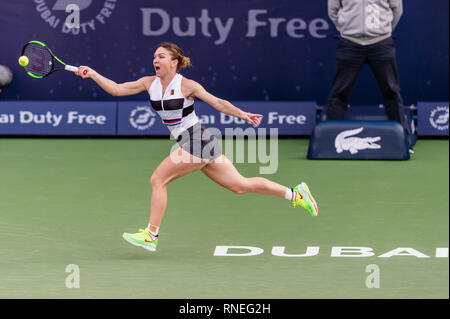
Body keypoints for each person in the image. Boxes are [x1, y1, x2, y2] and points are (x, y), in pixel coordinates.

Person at [75, 42, 318, 252]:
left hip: (197, 140)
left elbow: (217, 102)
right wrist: (94, 74)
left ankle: (151, 234)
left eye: (160, 56)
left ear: (174, 62)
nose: (155, 60)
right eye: (154, 56)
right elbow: (118, 89)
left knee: (158, 179)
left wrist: (241, 114)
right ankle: (296, 193)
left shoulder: (186, 85)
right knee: (240, 186)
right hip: (198, 142)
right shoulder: (149, 83)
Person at [326, 0, 413, 153]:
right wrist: (347, 31)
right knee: (339, 93)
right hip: (349, 43)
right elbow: (332, 11)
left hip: (381, 44)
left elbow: (397, 10)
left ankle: (404, 143)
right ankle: (330, 142)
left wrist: (384, 32)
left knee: (391, 92)